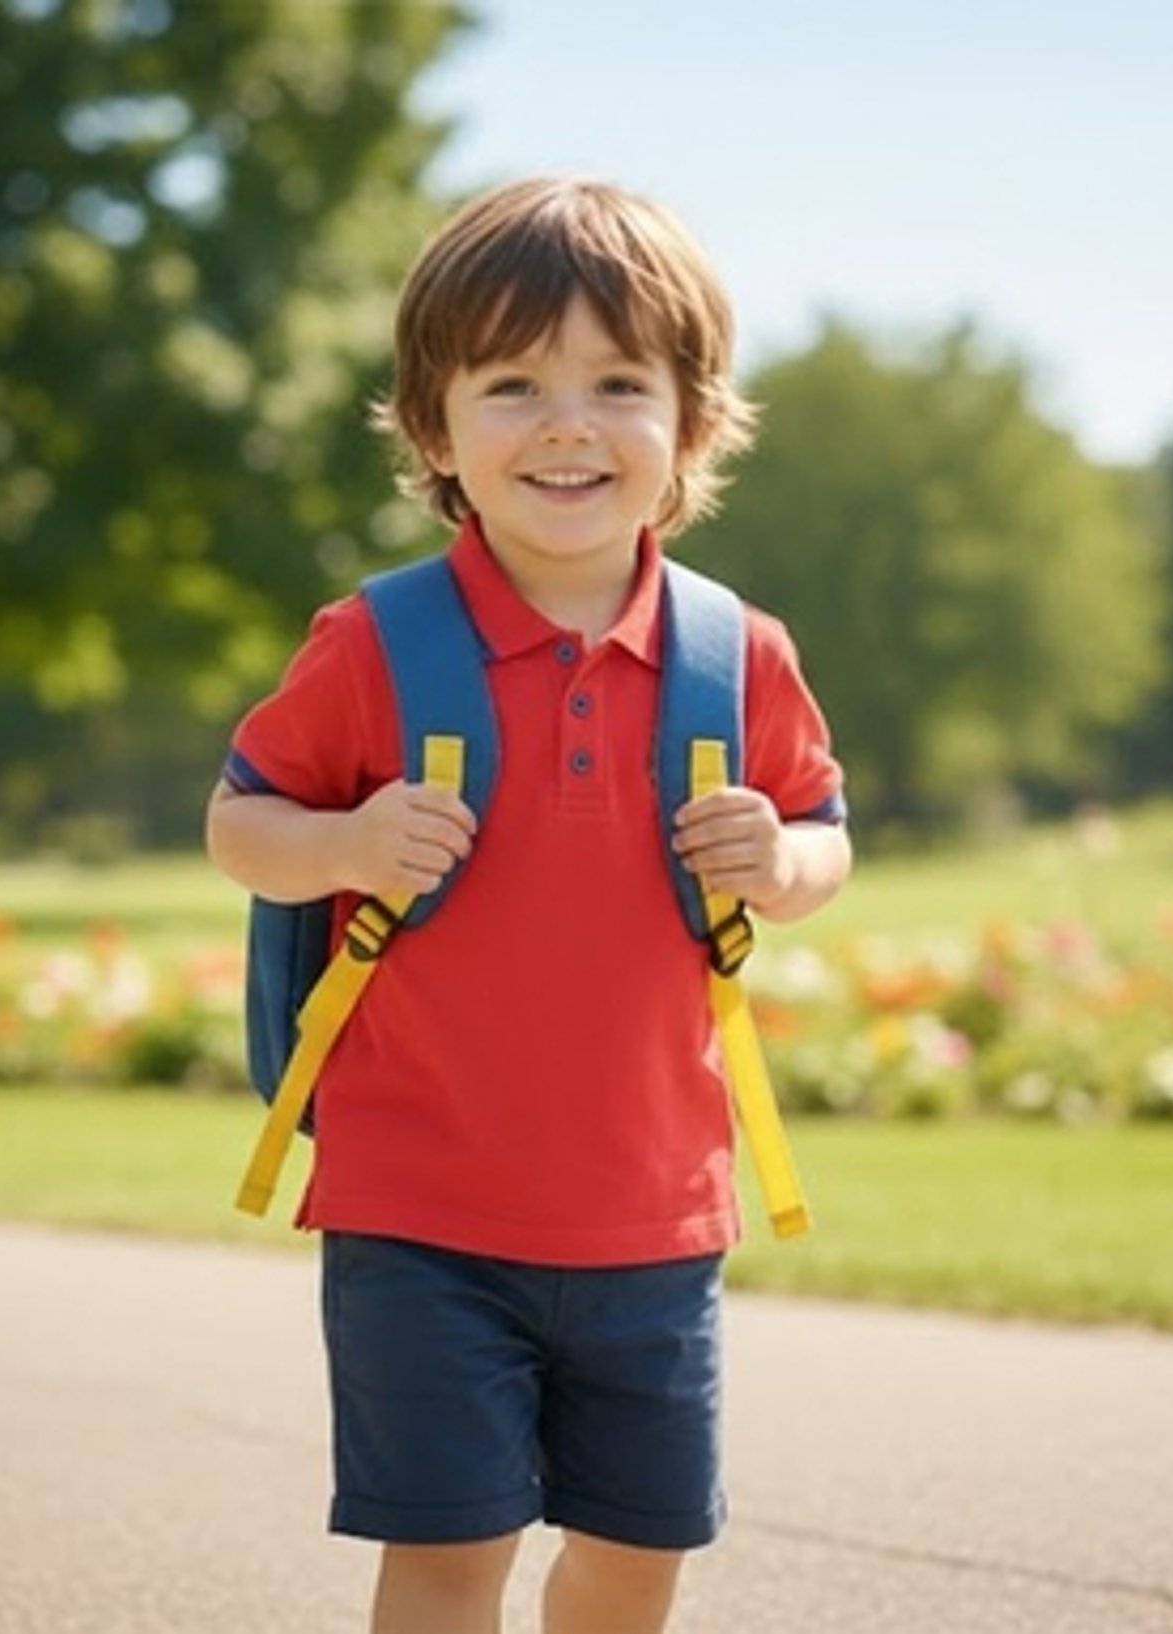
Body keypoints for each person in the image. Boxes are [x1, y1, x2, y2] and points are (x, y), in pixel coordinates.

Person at [206, 177, 850, 1634]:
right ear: (435, 429)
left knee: (636, 1561)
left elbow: (824, 834)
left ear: (692, 427)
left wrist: (784, 860)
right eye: (514, 384)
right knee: (448, 1558)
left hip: (656, 1213)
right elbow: (239, 822)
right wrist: (351, 840)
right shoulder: (373, 641)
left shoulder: (736, 652)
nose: (568, 423)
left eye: (620, 384)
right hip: (419, 1210)